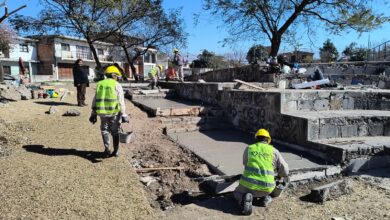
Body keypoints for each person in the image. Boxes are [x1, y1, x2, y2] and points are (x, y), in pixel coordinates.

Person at [234, 128, 289, 215]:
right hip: (267, 187)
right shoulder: (273, 151)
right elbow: (285, 170)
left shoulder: (249, 148)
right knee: (271, 188)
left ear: (256, 139)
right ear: (268, 140)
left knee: (236, 192)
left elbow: (245, 163)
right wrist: (280, 175)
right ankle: (265, 198)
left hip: (247, 185)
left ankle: (243, 198)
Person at [89, 65, 129, 157]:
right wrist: (124, 115)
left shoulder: (100, 84)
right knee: (115, 132)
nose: (117, 78)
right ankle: (116, 151)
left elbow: (95, 99)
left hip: (102, 113)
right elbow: (121, 101)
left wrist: (93, 113)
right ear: (113, 75)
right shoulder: (116, 85)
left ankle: (107, 149)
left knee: (104, 131)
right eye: (117, 76)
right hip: (113, 113)